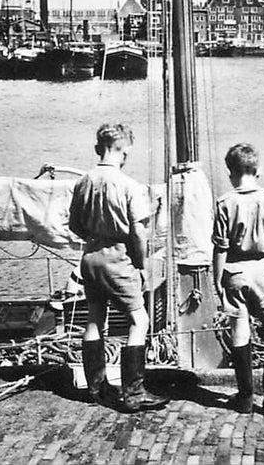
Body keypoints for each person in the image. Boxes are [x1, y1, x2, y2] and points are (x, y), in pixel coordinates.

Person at [68, 123, 168, 412]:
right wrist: (141, 264)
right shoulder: (129, 186)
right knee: (140, 321)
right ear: (120, 150)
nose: (127, 158)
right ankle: (134, 393)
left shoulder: (83, 182)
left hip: (90, 258)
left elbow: (74, 224)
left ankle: (97, 387)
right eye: (127, 152)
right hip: (118, 259)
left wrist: (93, 237)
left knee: (95, 319)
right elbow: (138, 233)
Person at [212, 143, 264, 416]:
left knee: (239, 330)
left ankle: (245, 398)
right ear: (257, 170)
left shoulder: (224, 202)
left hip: (235, 272)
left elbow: (220, 248)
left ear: (230, 172)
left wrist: (217, 283)